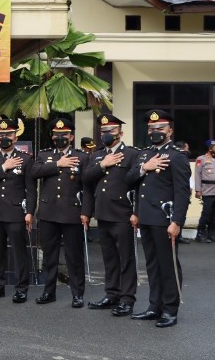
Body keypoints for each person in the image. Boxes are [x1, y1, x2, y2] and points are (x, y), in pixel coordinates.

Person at [127, 109, 191, 328]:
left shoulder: (177, 156)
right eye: (151, 129)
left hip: (165, 219)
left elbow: (183, 192)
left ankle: (170, 310)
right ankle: (154, 307)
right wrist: (145, 168)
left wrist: (177, 222)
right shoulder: (144, 155)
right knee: (152, 265)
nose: (155, 132)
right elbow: (132, 183)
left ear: (169, 131)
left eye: (160, 128)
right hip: (145, 217)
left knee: (168, 265)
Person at [81, 113, 139, 317]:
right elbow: (86, 181)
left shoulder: (132, 154)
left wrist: (136, 212)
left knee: (126, 259)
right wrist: (103, 164)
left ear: (120, 133)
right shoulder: (96, 155)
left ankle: (127, 299)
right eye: (103, 132)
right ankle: (112, 294)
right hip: (103, 213)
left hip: (123, 214)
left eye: (111, 131)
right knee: (109, 259)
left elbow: (138, 186)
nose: (106, 134)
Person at [0, 117, 35, 303]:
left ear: (15, 137)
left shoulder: (25, 159)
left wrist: (30, 212)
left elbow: (31, 189)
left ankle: (21, 288)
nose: (4, 138)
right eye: (0, 135)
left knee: (19, 252)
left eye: (8, 134)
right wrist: (4, 167)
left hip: (15, 212)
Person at [31, 118, 87, 307]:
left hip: (72, 213)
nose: (59, 137)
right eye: (56, 134)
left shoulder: (82, 156)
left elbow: (87, 187)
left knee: (74, 256)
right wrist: (58, 164)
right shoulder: (45, 155)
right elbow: (34, 172)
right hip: (48, 212)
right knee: (49, 256)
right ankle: (49, 292)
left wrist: (86, 212)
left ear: (71, 136)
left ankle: (77, 294)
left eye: (64, 135)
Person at [194, 139, 215, 243]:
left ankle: (212, 234)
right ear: (210, 148)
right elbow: (197, 175)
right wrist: (198, 190)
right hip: (207, 190)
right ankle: (200, 233)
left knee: (214, 214)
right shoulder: (201, 159)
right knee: (206, 213)